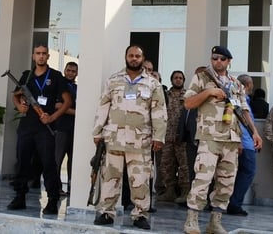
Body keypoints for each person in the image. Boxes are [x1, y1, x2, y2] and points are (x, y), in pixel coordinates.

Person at [182, 46, 262, 234]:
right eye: (215, 58)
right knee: (203, 178)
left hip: (232, 138)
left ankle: (215, 221)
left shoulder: (236, 84)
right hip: (209, 136)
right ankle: (192, 220)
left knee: (227, 182)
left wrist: (254, 133)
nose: (218, 61)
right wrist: (209, 93)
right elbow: (188, 103)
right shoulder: (202, 78)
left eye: (222, 59)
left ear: (228, 62)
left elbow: (243, 111)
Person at [92, 45, 166, 230]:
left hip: (140, 141)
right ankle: (106, 212)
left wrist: (159, 137)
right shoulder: (113, 80)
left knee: (140, 179)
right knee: (110, 177)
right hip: (114, 138)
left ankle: (140, 215)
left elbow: (159, 111)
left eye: (137, 56)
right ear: (126, 57)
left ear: (143, 58)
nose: (134, 58)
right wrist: (97, 131)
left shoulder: (152, 83)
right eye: (131, 55)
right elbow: (103, 107)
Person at [7, 44, 71, 215]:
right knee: (22, 162)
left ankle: (52, 200)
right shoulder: (26, 76)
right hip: (27, 127)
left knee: (48, 164)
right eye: (38, 53)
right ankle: (20, 196)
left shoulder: (56, 76)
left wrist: (52, 117)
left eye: (44, 54)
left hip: (45, 128)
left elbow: (67, 102)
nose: (41, 56)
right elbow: (16, 95)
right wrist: (19, 106)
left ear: (48, 56)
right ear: (33, 56)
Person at [227, 74, 261, 216]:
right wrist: (240, 141)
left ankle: (231, 202)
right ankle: (234, 204)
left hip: (246, 143)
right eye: (251, 83)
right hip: (243, 144)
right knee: (247, 172)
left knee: (237, 173)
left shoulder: (244, 100)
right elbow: (237, 121)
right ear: (247, 85)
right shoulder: (237, 101)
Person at [157, 70, 190, 204]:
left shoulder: (188, 96)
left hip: (182, 137)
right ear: (171, 80)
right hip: (167, 136)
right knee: (166, 165)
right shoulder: (165, 95)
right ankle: (169, 191)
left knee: (184, 165)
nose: (178, 80)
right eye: (175, 78)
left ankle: (185, 192)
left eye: (180, 78)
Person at [54, 61, 78, 196]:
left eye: (73, 71)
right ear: (64, 70)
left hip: (75, 129)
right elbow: (57, 105)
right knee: (57, 159)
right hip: (61, 127)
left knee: (73, 160)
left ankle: (71, 188)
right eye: (68, 70)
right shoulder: (60, 86)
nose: (70, 73)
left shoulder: (76, 87)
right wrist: (76, 112)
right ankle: (55, 188)